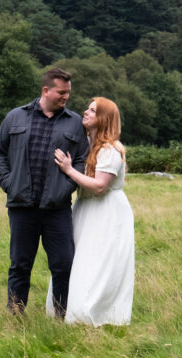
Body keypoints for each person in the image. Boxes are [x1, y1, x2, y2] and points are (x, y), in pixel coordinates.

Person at [0, 67, 90, 317]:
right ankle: (15, 314)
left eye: (68, 93)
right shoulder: (15, 117)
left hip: (57, 209)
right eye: (61, 92)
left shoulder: (75, 122)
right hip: (21, 206)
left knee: (63, 265)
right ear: (46, 90)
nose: (66, 97)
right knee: (20, 265)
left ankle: (61, 315)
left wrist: (67, 187)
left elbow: (81, 159)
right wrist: (8, 183)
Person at [51, 96, 135, 326]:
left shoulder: (110, 150)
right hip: (84, 208)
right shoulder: (85, 144)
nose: (85, 113)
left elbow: (99, 186)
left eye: (92, 110)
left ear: (103, 119)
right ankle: (69, 310)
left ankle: (93, 313)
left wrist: (68, 170)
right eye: (87, 109)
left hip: (106, 212)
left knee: (98, 261)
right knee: (77, 259)